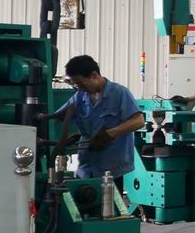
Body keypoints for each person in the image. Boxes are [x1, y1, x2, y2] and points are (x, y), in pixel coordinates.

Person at [43, 55, 145, 190]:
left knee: (110, 203)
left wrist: (110, 133)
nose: (79, 88)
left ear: (94, 75)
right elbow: (57, 117)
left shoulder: (119, 93)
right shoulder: (79, 97)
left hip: (112, 170)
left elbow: (139, 121)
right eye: (76, 85)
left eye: (81, 84)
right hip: (86, 169)